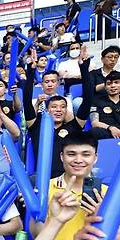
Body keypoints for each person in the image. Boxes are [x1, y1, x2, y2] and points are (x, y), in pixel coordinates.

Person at [23, 47, 92, 178]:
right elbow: (26, 101)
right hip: (43, 180)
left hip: (69, 178)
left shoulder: (73, 127)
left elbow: (88, 100)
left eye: (62, 107)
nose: (59, 110)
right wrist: (31, 70)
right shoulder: (37, 127)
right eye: (54, 107)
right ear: (47, 109)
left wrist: (83, 68)